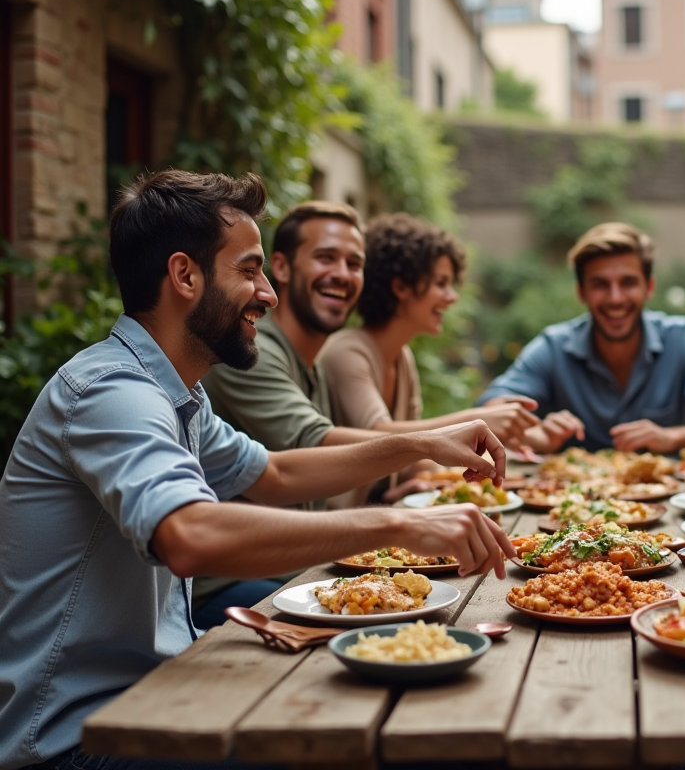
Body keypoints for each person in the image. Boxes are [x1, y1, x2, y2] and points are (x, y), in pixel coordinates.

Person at [0, 169, 516, 770]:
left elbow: (274, 474)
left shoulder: (177, 395)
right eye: (249, 270)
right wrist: (395, 527)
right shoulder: (111, 391)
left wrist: (420, 445)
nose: (268, 293)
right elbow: (189, 536)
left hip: (155, 698)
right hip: (77, 740)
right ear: (184, 275)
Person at [318, 213, 539, 506]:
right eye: (441, 283)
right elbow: (375, 435)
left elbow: (408, 453)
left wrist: (426, 474)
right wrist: (476, 420)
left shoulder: (402, 358)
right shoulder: (347, 351)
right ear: (400, 287)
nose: (452, 297)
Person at [479, 222, 685, 453]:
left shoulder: (683, 339)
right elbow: (490, 410)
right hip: (570, 506)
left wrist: (672, 437)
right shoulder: (553, 347)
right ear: (581, 292)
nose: (615, 298)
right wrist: (537, 435)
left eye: (628, 283)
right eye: (600, 284)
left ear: (649, 287)